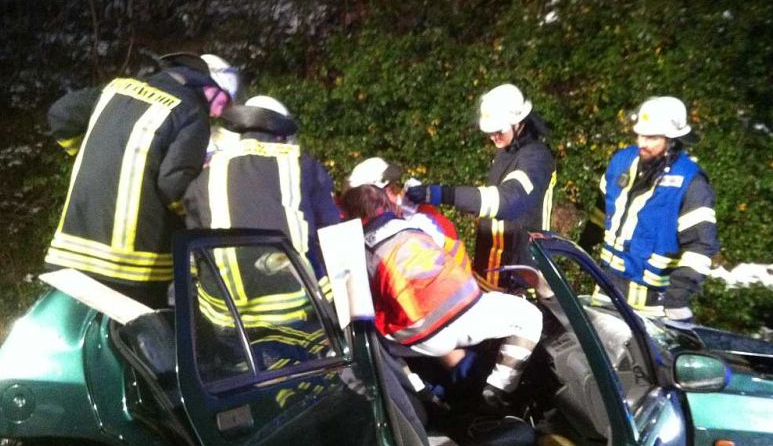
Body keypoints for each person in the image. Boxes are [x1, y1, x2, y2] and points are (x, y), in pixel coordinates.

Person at [45, 51, 240, 308]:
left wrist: (87, 153)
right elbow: (173, 186)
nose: (218, 114)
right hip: (133, 271)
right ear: (209, 87)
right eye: (224, 103)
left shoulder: (116, 89)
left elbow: (60, 115)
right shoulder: (192, 114)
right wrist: (200, 212)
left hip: (68, 256)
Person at [342, 183, 543, 402]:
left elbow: (363, 307)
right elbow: (456, 258)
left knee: (376, 344)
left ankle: (422, 394)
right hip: (466, 316)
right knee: (529, 317)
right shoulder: (416, 227)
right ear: (385, 204)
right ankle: (497, 389)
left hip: (419, 338)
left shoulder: (358, 253)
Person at [183, 95, 341, 301]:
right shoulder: (303, 166)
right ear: (280, 136)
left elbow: (194, 239)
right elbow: (332, 232)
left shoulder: (208, 173)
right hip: (297, 306)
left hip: (227, 309)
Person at [579, 96, 719, 322]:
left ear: (672, 140)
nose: (642, 143)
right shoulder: (621, 162)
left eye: (652, 137)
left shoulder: (690, 183)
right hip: (606, 289)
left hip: (652, 307)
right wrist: (581, 250)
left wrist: (677, 298)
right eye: (640, 134)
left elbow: (700, 247)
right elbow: (601, 212)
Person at [406, 83, 556, 290]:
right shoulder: (507, 152)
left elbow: (508, 201)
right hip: (491, 266)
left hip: (521, 276)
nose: (493, 137)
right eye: (489, 132)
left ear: (518, 122)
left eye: (498, 131)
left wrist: (441, 194)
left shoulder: (536, 158)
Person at [346, 156, 468, 267]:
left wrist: (425, 211)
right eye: (392, 190)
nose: (399, 197)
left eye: (396, 187)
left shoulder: (416, 220)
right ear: (373, 199)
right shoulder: (384, 243)